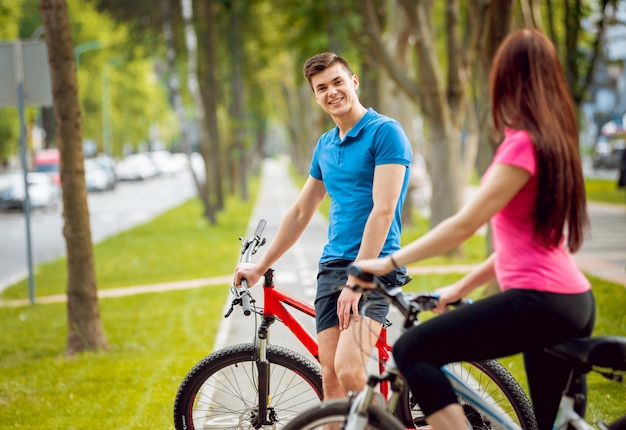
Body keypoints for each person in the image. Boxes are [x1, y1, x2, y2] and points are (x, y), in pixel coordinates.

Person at [350, 29, 595, 430]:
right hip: (572, 301)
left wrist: (386, 262)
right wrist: (459, 289)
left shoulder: (521, 145)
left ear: (507, 79)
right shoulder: (555, 143)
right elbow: (518, 246)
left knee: (413, 350)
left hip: (540, 301)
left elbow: (463, 226)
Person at [234, 52, 413, 401]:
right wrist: (260, 266)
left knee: (349, 370)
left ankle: (383, 425)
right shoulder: (325, 145)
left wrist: (360, 277)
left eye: (337, 82)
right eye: (322, 87)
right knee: (329, 376)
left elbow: (384, 209)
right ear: (315, 96)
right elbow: (302, 211)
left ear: (354, 81)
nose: (331, 92)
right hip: (331, 268)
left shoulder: (385, 133)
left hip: (375, 267)